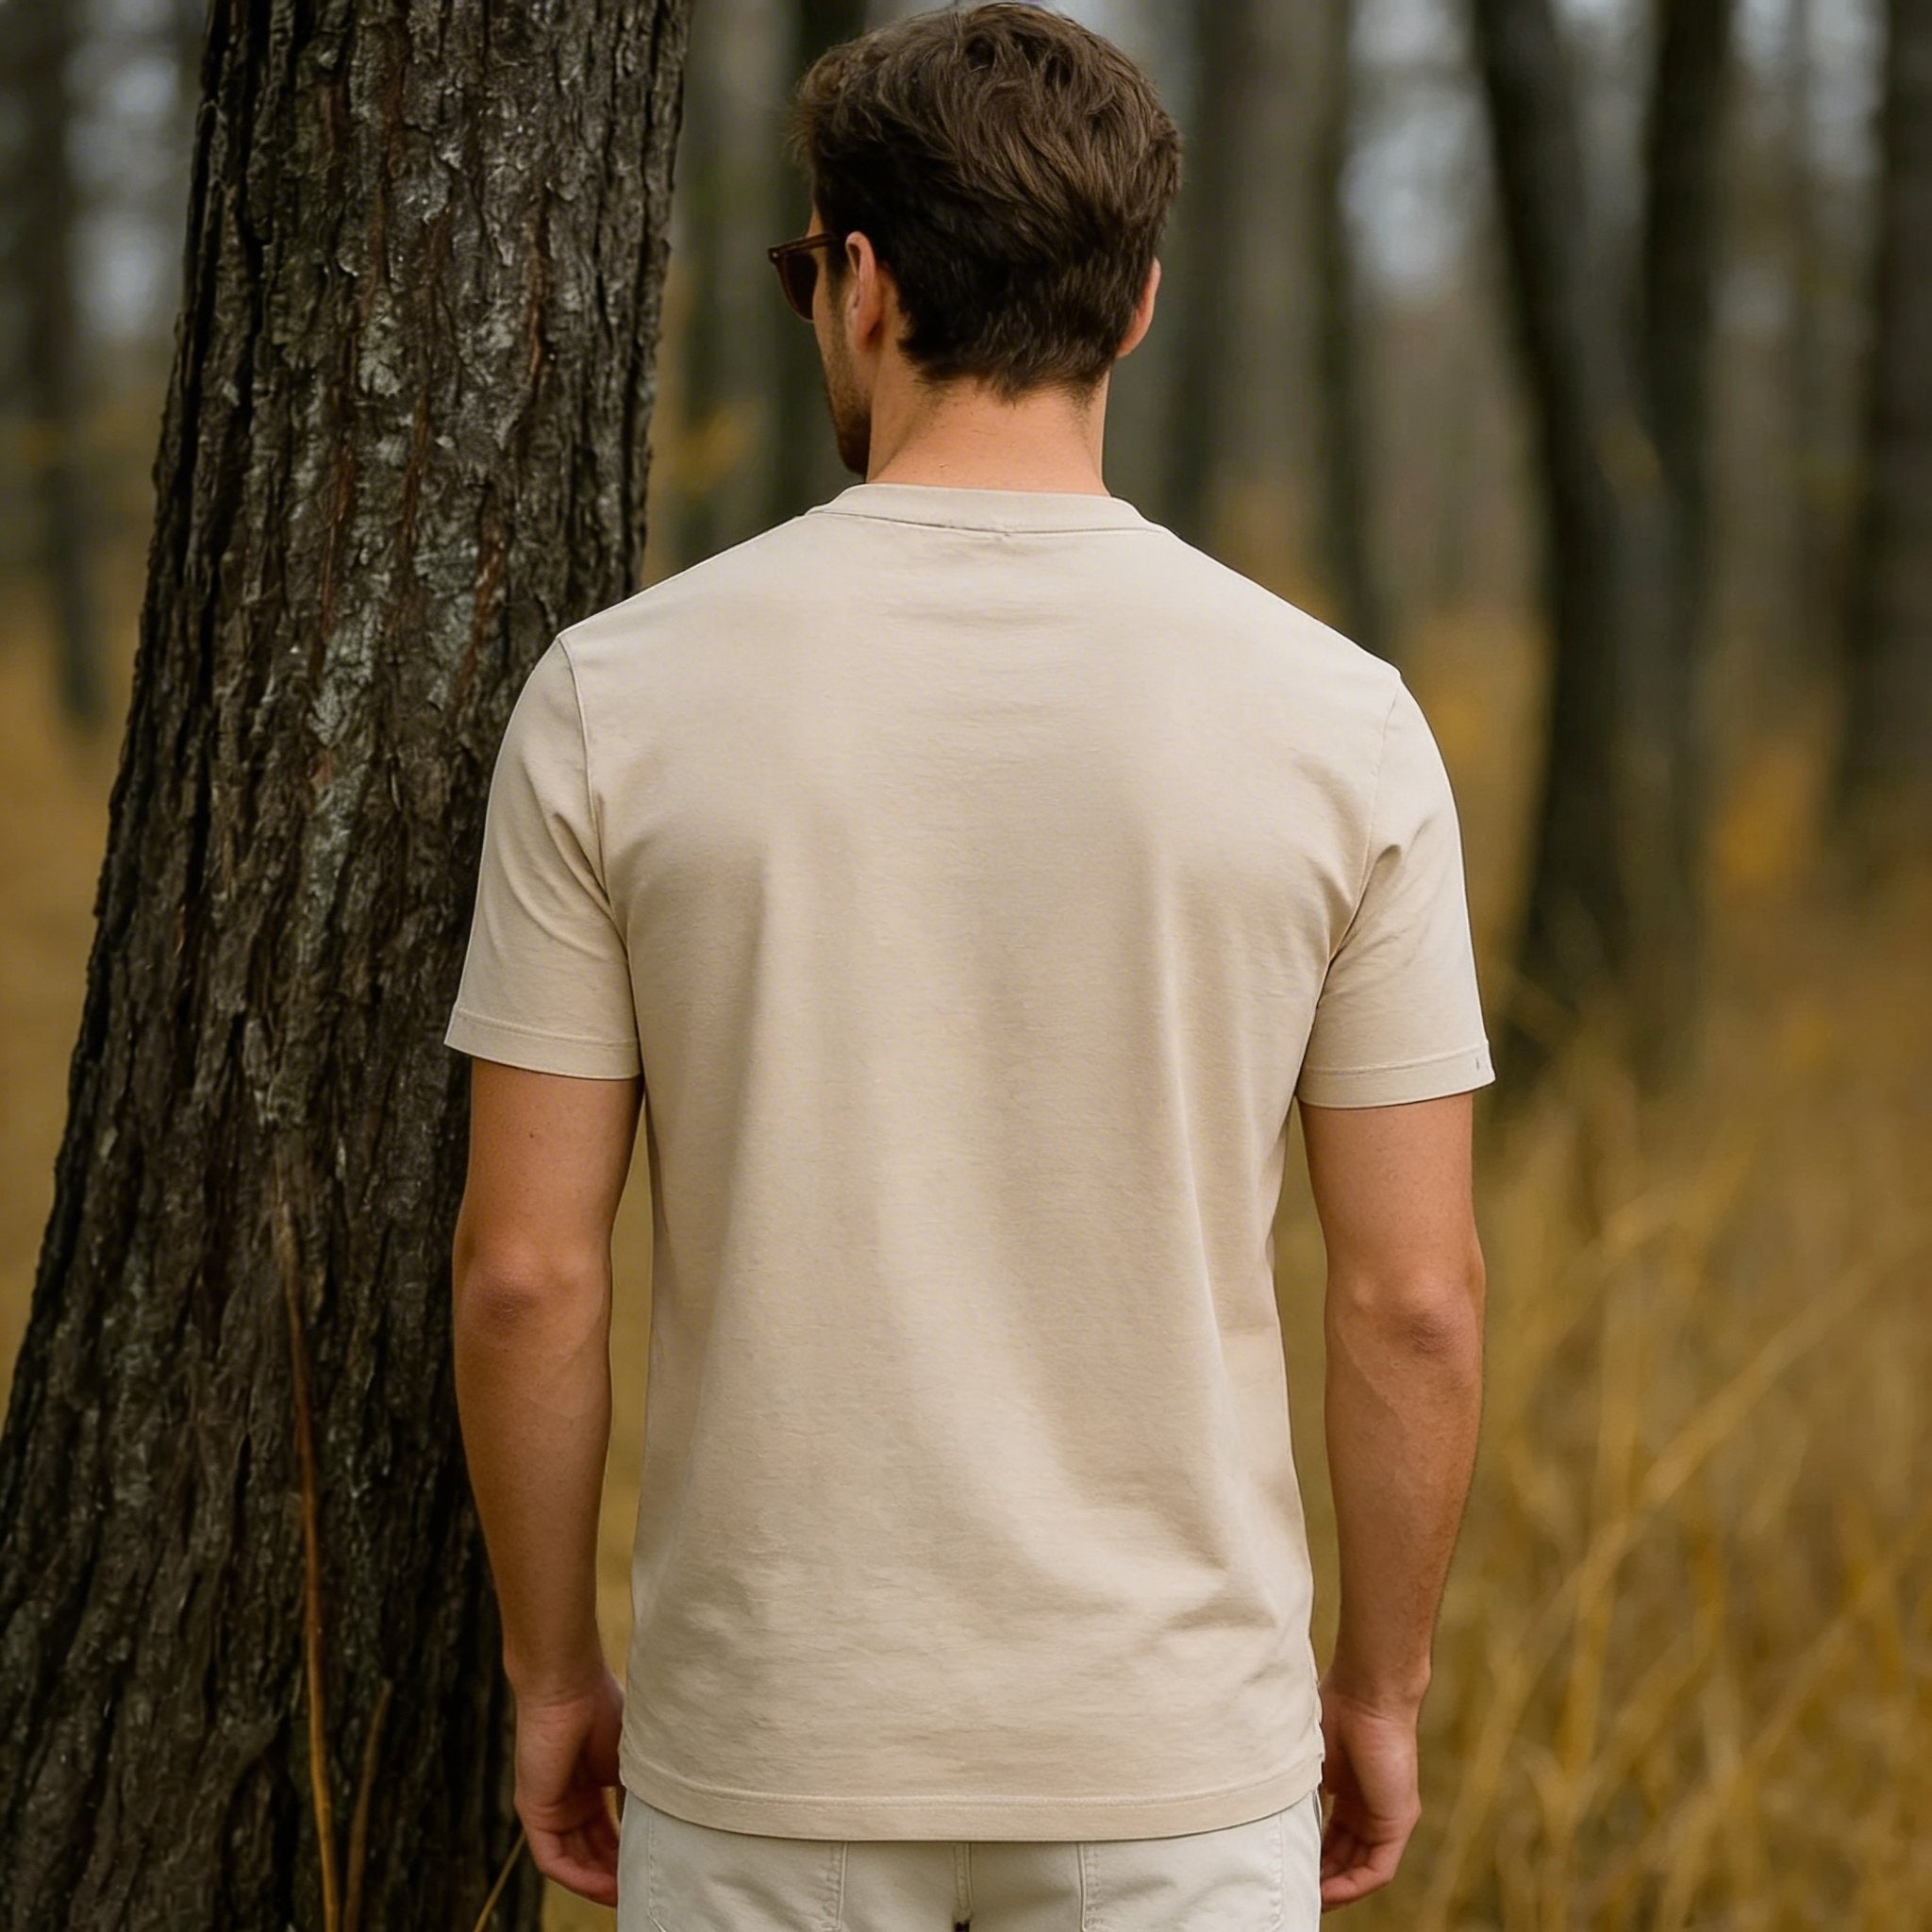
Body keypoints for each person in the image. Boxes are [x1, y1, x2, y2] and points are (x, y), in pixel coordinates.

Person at [443, 4, 1493, 1926]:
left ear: (859, 282)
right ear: (1138, 304)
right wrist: (1379, 1689)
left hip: (768, 1744)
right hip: (1176, 1755)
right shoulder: (1340, 725)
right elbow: (1413, 1296)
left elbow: (524, 1272)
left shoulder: (619, 698)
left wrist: (552, 1675)